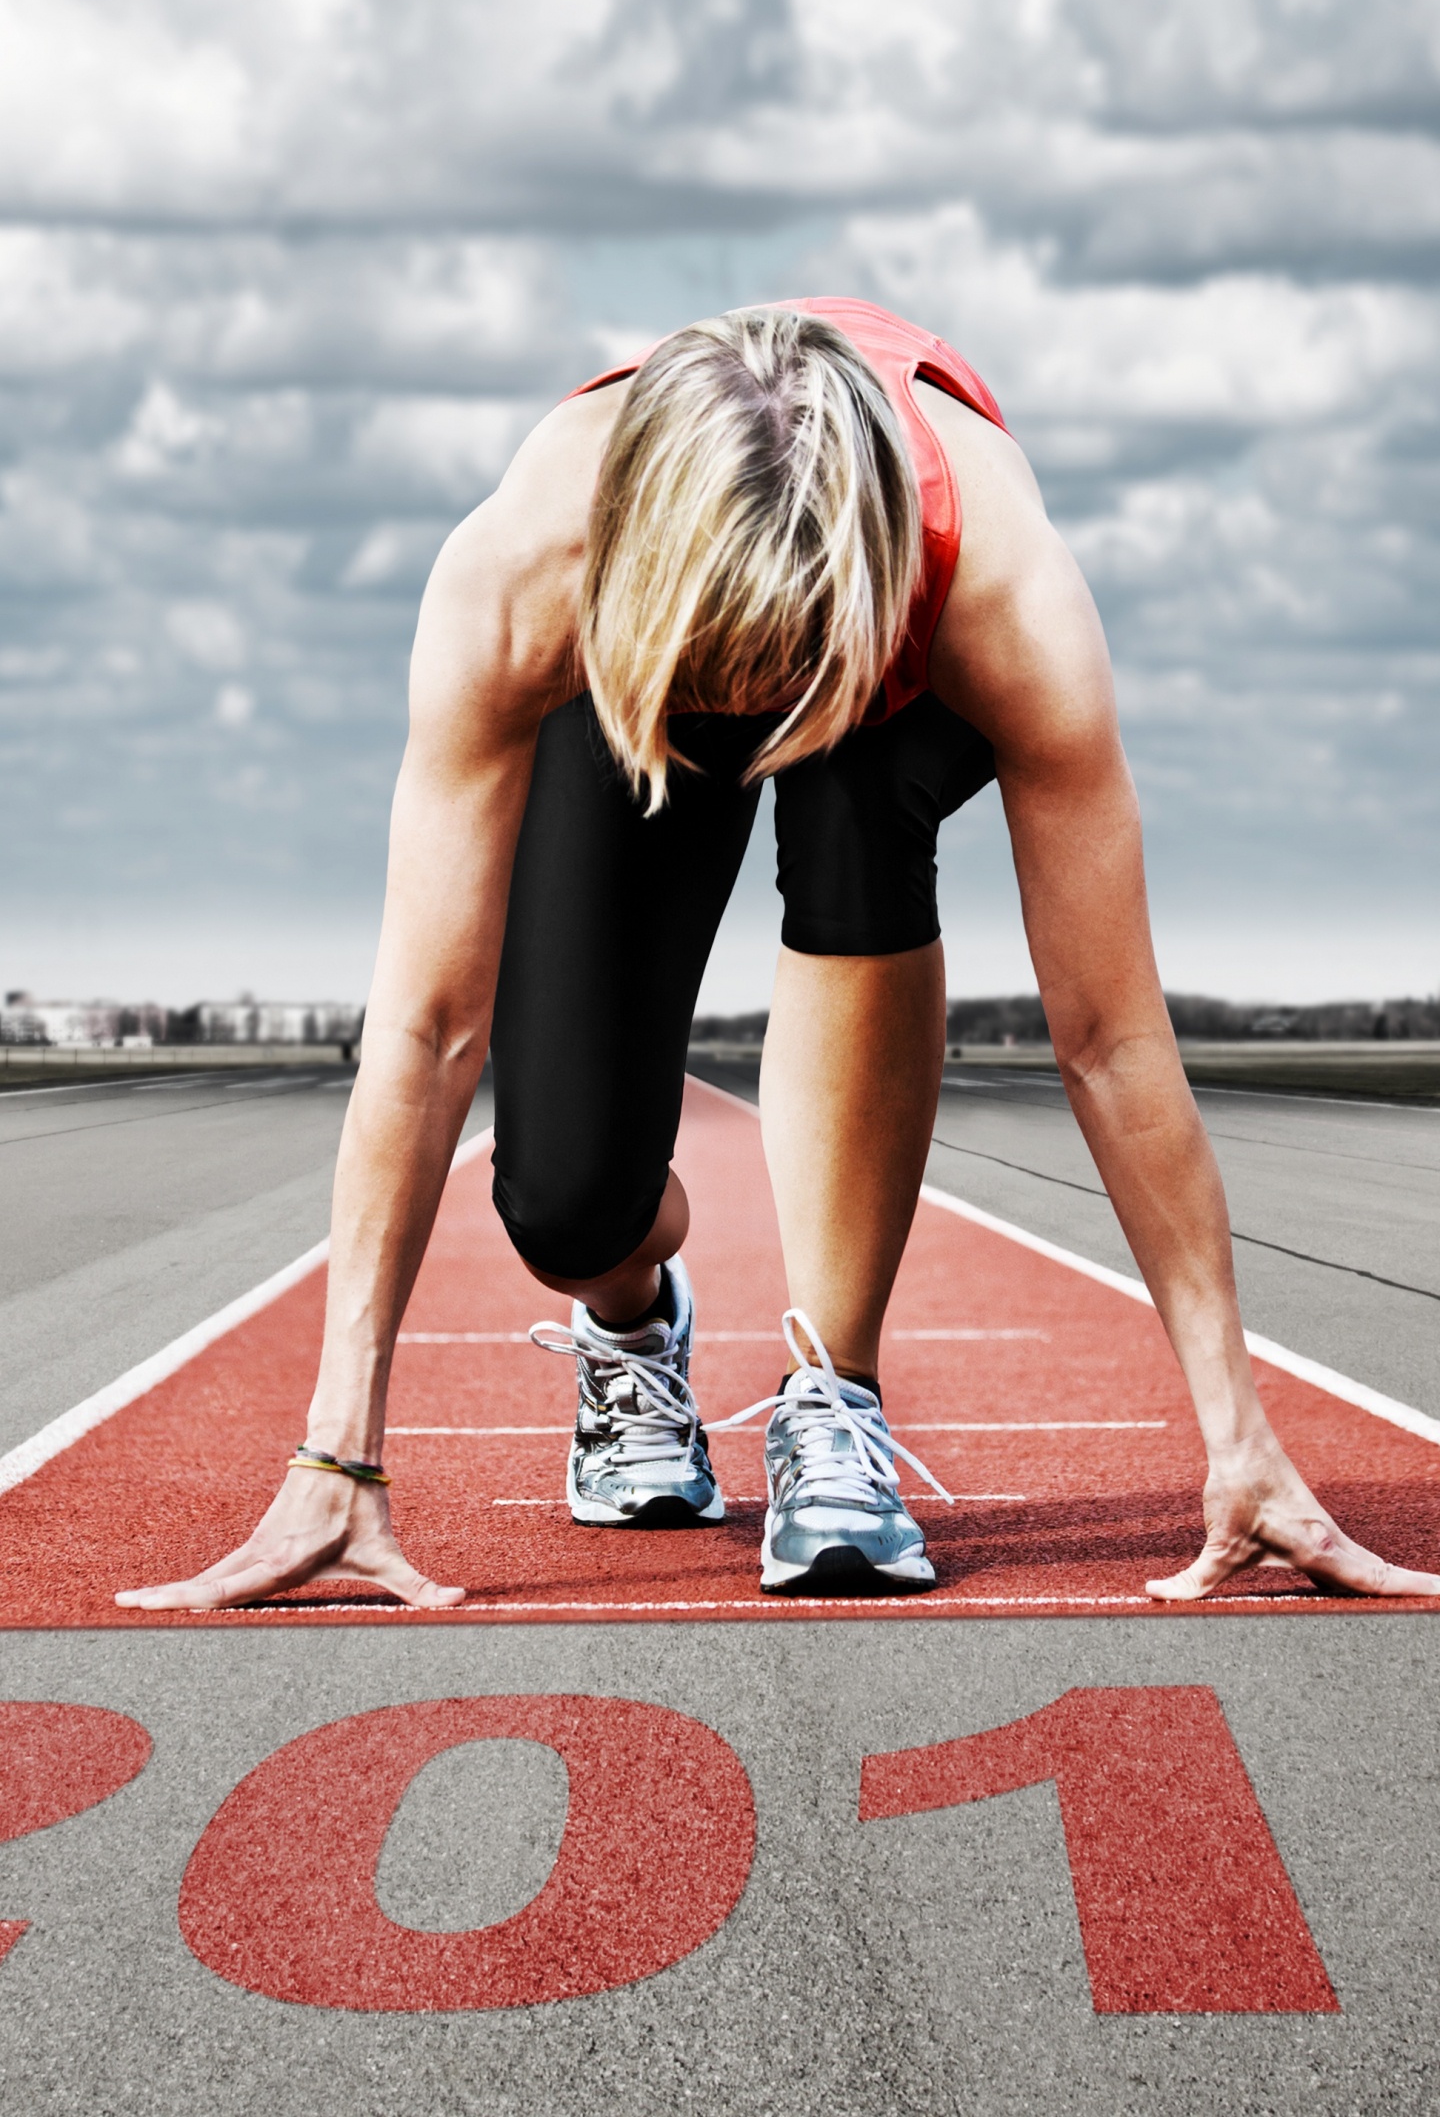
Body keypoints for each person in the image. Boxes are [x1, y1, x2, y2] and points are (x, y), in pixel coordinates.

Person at [118, 299, 1440, 1612]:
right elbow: (427, 1026)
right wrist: (336, 1455)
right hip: (647, 649)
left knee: (859, 808)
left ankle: (834, 1400)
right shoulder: (523, 574)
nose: (759, 720)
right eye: (732, 679)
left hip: (883, 649)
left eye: (783, 676)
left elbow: (1108, 1036)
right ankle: (635, 1324)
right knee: (566, 1206)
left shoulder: (1003, 592)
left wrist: (1242, 1443)